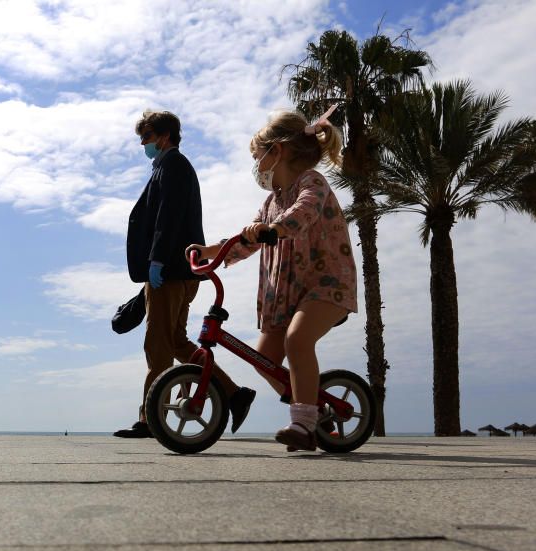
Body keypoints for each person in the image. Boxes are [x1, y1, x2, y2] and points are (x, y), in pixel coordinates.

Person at [186, 106, 357, 451]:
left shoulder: (312, 182)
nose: (256, 166)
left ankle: (305, 423)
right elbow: (246, 240)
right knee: (264, 359)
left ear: (275, 152)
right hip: (287, 292)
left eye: (257, 156)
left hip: (325, 285)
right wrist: (210, 252)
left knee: (297, 341)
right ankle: (314, 409)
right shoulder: (269, 203)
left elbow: (305, 211)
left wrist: (276, 229)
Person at [115, 110, 256, 438]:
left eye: (147, 137)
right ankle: (234, 394)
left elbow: (169, 217)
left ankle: (150, 419)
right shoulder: (168, 166)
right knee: (176, 340)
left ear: (164, 136)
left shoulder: (173, 165)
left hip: (171, 270)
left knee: (158, 344)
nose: (143, 143)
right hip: (180, 271)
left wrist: (158, 260)